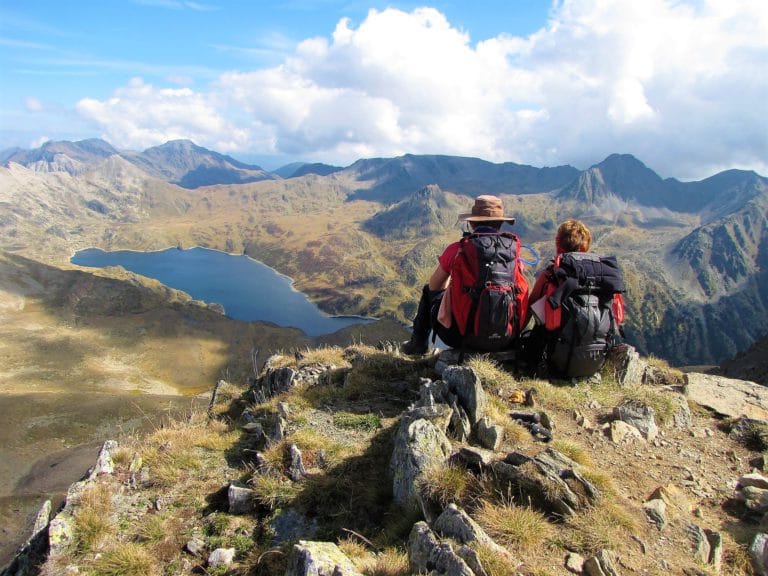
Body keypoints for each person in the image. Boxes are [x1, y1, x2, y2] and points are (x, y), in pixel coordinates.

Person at [401, 195, 519, 355]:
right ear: (501, 223)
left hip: (460, 337)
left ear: (472, 222)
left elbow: (435, 287)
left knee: (427, 291)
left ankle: (418, 344)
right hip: (506, 337)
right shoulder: (513, 252)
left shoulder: (458, 249)